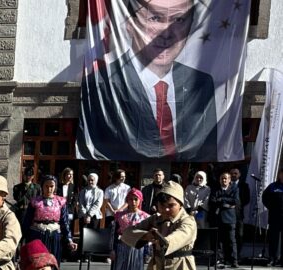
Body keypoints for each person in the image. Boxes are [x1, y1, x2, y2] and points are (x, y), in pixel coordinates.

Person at [78, 0, 217, 161]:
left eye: (179, 20)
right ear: (130, 25)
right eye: (155, 18)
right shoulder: (102, 83)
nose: (166, 34)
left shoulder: (202, 84)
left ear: (191, 26)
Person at [110, 188, 150, 270]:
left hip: (138, 248)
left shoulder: (145, 217)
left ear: (140, 201)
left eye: (135, 199)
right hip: (122, 246)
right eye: (130, 199)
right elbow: (113, 234)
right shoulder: (120, 215)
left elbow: (148, 235)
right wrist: (112, 249)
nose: (133, 202)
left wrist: (147, 252)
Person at [22, 175, 76, 262]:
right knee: (37, 263)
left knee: (52, 263)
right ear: (42, 186)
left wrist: (69, 239)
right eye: (46, 186)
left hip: (54, 236)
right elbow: (27, 221)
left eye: (51, 186)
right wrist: (22, 238)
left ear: (55, 187)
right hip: (37, 235)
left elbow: (65, 222)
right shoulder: (35, 201)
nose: (49, 189)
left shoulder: (60, 201)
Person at [210, 172, 240, 268]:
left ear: (229, 180)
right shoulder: (216, 190)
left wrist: (221, 200)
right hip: (218, 219)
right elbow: (213, 201)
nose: (224, 180)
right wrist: (226, 202)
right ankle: (217, 259)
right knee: (218, 241)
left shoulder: (234, 189)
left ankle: (233, 260)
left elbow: (235, 201)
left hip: (230, 219)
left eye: (226, 178)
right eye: (222, 178)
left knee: (231, 241)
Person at [262, 170, 283, 266]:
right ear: (279, 175)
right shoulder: (272, 186)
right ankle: (272, 258)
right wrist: (272, 207)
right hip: (275, 216)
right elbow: (264, 198)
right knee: (273, 238)